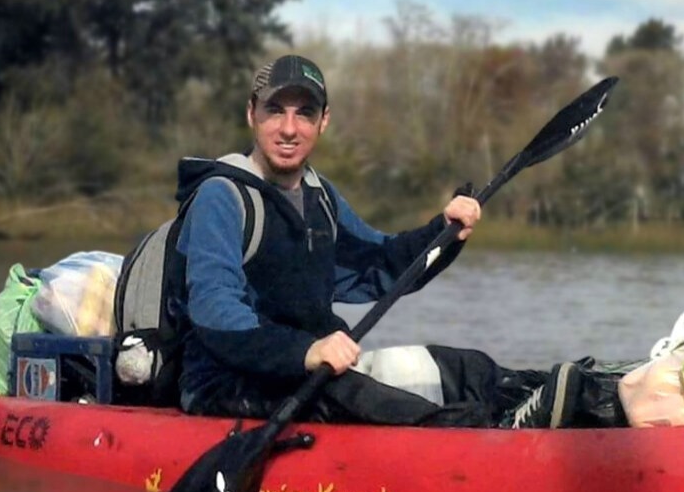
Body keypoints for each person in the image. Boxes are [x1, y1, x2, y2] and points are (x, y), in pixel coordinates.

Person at [168, 53, 602, 428]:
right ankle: (496, 442)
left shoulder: (320, 198)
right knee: (384, 405)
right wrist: (307, 350)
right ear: (251, 114)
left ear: (324, 121)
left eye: (304, 113)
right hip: (223, 384)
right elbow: (215, 311)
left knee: (465, 370)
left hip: (315, 374)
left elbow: (381, 266)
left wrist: (444, 231)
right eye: (274, 110)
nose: (288, 128)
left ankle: (584, 400)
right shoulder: (220, 197)